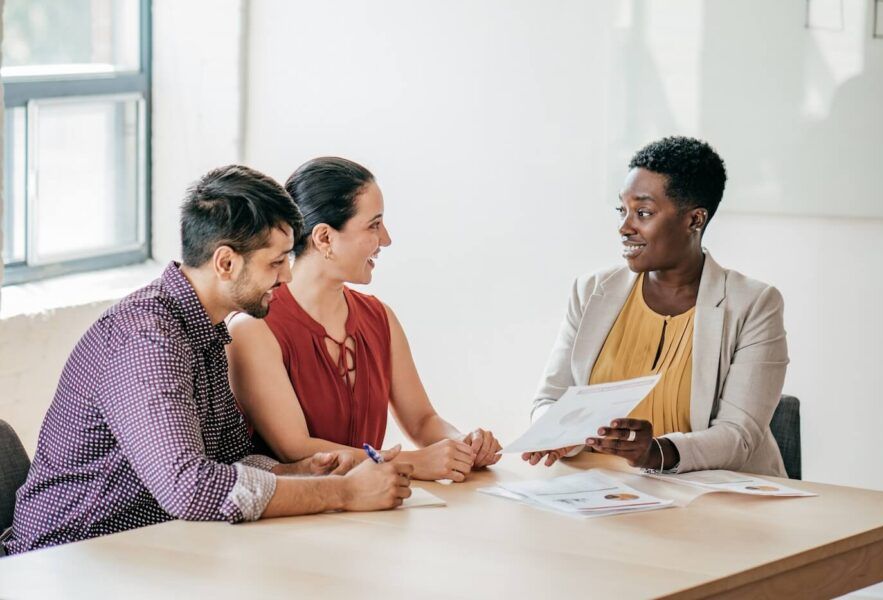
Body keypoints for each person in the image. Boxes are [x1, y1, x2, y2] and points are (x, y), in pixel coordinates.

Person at [5, 165, 412, 555]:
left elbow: (231, 457)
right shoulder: (147, 338)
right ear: (226, 263)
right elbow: (189, 487)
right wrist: (344, 493)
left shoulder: (205, 331)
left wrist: (303, 471)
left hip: (151, 551)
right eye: (275, 262)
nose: (287, 277)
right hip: (67, 560)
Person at [524, 137, 789, 477]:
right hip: (602, 493)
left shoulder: (754, 304)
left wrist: (657, 452)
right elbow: (549, 400)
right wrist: (560, 435)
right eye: (623, 211)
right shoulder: (591, 291)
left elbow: (738, 437)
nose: (624, 227)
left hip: (711, 501)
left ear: (694, 220)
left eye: (643, 213)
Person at [227, 157, 501, 482]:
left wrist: (461, 445)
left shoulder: (380, 317)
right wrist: (411, 464)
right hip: (289, 520)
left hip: (372, 510)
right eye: (374, 225)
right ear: (324, 238)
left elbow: (423, 420)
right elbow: (295, 448)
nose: (386, 239)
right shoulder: (254, 328)